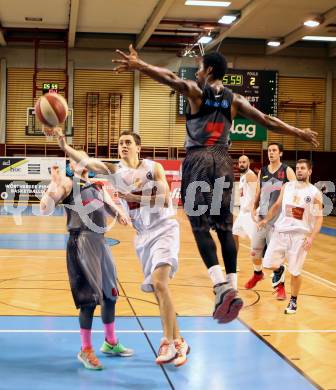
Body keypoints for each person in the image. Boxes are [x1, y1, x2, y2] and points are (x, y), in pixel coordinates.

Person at [111, 45, 319, 323]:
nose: (196, 73)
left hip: (198, 159)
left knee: (198, 225)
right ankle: (232, 287)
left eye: (199, 68)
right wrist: (298, 132)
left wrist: (141, 66)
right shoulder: (235, 100)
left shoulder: (198, 93)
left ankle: (220, 284)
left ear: (208, 71)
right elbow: (267, 120)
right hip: (223, 160)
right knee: (224, 226)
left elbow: (170, 79)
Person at [50, 128, 190, 367]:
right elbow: (86, 161)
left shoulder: (152, 168)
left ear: (138, 147)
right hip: (143, 236)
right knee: (159, 290)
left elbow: (166, 199)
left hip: (164, 228)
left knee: (159, 283)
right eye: (120, 143)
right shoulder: (115, 170)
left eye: (127, 142)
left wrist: (133, 199)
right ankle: (179, 340)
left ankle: (167, 341)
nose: (123, 146)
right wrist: (64, 145)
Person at [40, 152, 133, 370]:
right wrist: (51, 189)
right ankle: (86, 349)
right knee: (89, 300)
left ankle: (110, 343)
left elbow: (111, 206)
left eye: (84, 158)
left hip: (101, 243)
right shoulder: (67, 184)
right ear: (71, 164)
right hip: (80, 242)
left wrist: (119, 213)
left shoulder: (97, 185)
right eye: (76, 159)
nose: (81, 161)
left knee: (110, 295)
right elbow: (46, 208)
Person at [258, 159, 323, 314]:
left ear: (309, 171)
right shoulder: (287, 186)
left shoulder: (314, 192)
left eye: (302, 168)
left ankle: (293, 301)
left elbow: (319, 217)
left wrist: (311, 237)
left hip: (299, 236)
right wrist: (266, 219)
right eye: (297, 168)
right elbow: (276, 205)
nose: (299, 170)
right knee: (267, 264)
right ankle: (280, 269)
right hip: (280, 232)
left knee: (295, 272)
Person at [245, 143, 296, 300]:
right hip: (262, 218)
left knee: (274, 257)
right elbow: (258, 192)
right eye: (269, 150)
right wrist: (254, 207)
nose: (271, 153)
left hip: (278, 221)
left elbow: (296, 191)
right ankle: (258, 273)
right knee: (254, 251)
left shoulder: (286, 170)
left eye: (274, 150)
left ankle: (280, 288)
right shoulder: (263, 171)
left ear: (280, 153)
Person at [232, 155, 258, 252]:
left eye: (244, 162)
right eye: (240, 162)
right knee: (234, 232)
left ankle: (277, 263)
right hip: (243, 212)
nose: (241, 164)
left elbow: (257, 193)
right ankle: (233, 261)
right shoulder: (243, 176)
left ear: (248, 163)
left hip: (249, 214)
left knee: (255, 242)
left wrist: (253, 208)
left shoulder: (250, 175)